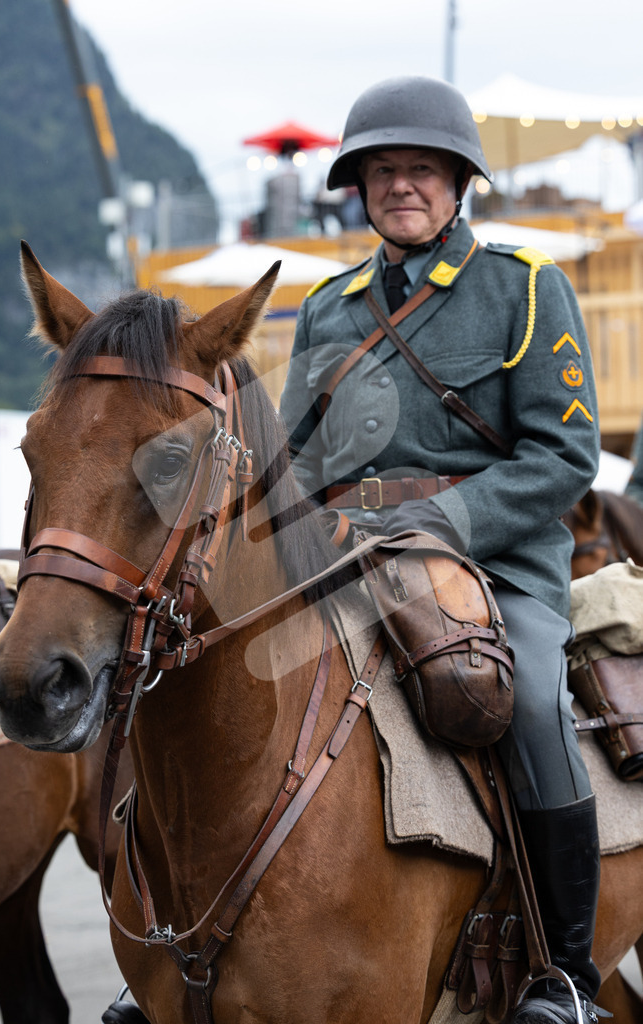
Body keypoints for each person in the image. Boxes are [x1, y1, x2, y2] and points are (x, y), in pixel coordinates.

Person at [279, 76, 604, 1024]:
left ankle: (568, 980)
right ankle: (173, 955)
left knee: (533, 706)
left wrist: (443, 524)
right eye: (383, 172)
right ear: (361, 188)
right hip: (349, 561)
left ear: (460, 182)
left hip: (496, 565)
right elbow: (295, 459)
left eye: (422, 169)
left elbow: (563, 456)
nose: (402, 186)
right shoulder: (326, 308)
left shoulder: (526, 290)